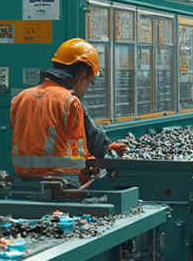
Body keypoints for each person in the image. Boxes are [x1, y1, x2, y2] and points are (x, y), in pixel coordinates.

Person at [10, 38, 126, 179]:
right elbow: (93, 140)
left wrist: (107, 146)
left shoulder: (21, 97)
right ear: (83, 75)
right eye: (90, 81)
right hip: (63, 181)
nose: (87, 89)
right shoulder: (69, 101)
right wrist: (106, 149)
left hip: (22, 178)